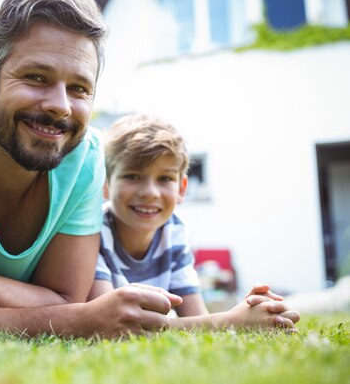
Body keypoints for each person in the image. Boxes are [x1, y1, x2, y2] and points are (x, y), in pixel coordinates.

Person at [0, 0, 291, 338]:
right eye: (36, 78)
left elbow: (65, 297)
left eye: (79, 88)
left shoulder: (85, 156)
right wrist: (78, 319)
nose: (60, 106)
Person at [88, 113, 301, 330]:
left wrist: (248, 310)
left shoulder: (175, 230)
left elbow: (198, 317)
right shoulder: (93, 231)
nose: (150, 193)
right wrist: (232, 321)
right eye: (132, 176)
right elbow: (112, 321)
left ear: (181, 189)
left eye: (165, 179)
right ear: (105, 184)